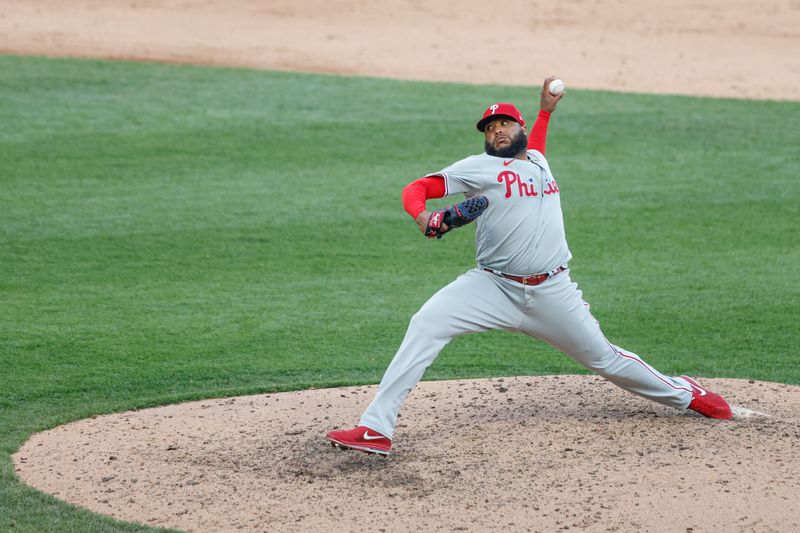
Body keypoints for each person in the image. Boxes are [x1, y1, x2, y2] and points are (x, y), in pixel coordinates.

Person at [326, 77, 733, 456]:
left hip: (552, 293)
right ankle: (377, 429)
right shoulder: (478, 167)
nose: (495, 131)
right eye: (488, 128)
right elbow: (416, 188)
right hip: (491, 288)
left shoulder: (538, 160)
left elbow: (534, 145)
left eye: (503, 124)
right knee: (426, 323)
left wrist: (545, 112)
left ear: (518, 128)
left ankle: (686, 393)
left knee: (605, 359)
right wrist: (422, 215)